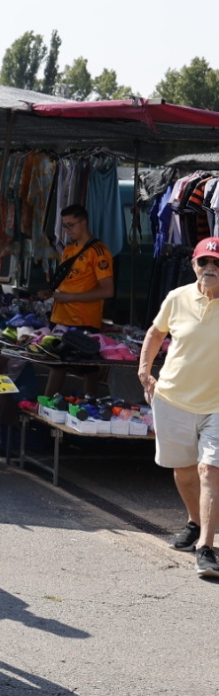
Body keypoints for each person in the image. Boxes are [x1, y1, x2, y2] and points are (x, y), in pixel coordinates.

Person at [138, 236, 219, 577]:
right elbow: (156, 333)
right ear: (194, 264)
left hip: (216, 404)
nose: (210, 269)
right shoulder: (177, 297)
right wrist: (144, 371)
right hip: (173, 398)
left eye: (218, 264)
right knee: (184, 469)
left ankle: (207, 546)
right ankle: (193, 521)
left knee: (209, 470)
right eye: (205, 262)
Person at [38, 204, 115, 398]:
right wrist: (51, 292)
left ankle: (89, 408)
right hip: (60, 317)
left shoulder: (99, 252)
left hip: (84, 320)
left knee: (88, 368)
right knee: (57, 364)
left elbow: (107, 290)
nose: (67, 231)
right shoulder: (69, 250)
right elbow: (70, 282)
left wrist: (71, 297)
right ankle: (46, 406)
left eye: (70, 225)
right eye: (64, 226)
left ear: (84, 223)